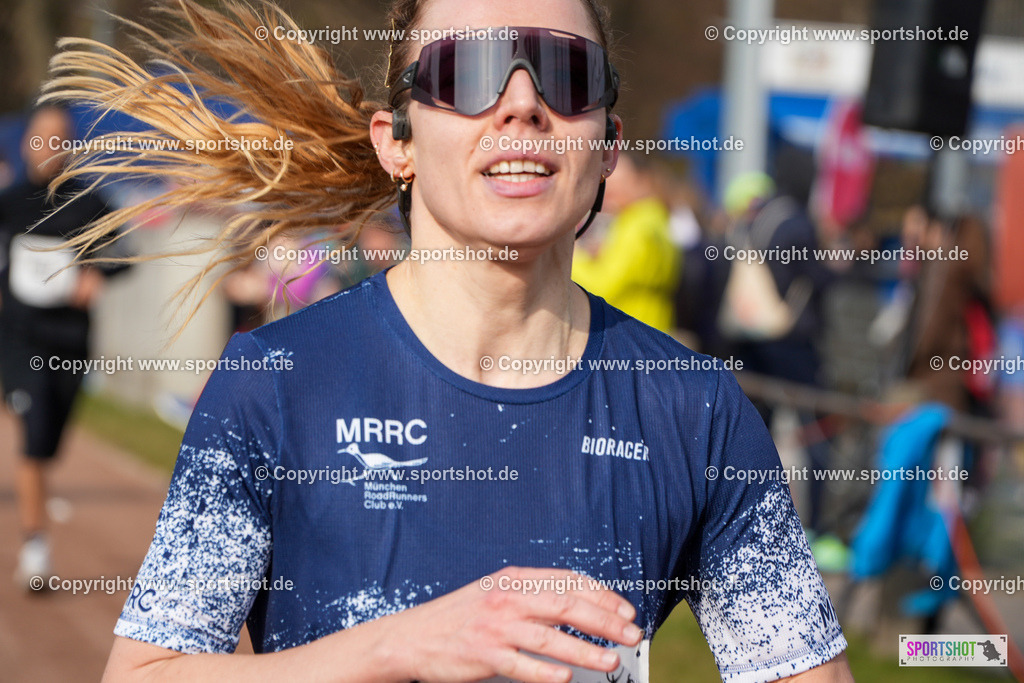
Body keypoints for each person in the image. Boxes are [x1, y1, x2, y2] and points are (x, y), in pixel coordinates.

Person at [42, 1, 852, 681]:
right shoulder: (276, 382)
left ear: (606, 144)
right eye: (469, 73)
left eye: (566, 76)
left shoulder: (696, 411)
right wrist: (400, 642)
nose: (523, 105)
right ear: (397, 141)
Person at [0, 103, 127, 588]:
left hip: (70, 342)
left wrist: (100, 275)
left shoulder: (91, 203)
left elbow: (128, 251)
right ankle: (36, 547)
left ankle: (37, 522)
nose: (48, 146)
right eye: (40, 136)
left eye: (59, 138)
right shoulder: (9, 201)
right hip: (19, 340)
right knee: (32, 438)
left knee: (50, 442)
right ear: (26, 141)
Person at [571, 154, 680, 332]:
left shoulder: (636, 226)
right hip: (653, 330)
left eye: (618, 182)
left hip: (627, 333)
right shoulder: (657, 219)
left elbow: (602, 286)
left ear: (641, 182)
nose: (608, 189)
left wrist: (571, 254)